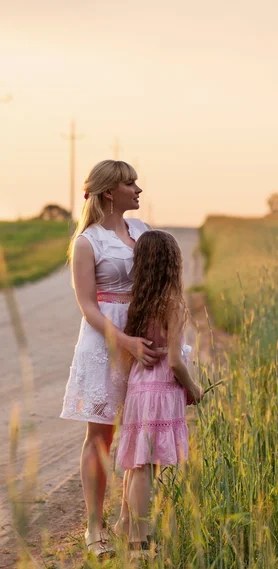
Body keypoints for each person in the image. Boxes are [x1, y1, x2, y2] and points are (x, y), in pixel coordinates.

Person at [60, 159, 160, 559]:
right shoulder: (88, 241)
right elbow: (87, 306)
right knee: (100, 435)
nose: (138, 189)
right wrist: (125, 342)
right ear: (108, 192)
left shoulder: (144, 231)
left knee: (142, 431)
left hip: (144, 337)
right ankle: (94, 528)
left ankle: (127, 520)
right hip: (105, 341)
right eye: (130, 183)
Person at [115, 230, 204, 559]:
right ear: (173, 264)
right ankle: (140, 544)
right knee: (146, 466)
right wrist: (193, 387)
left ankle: (124, 525)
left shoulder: (139, 302)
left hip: (139, 387)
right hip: (162, 389)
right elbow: (176, 361)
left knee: (137, 463)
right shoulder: (172, 304)